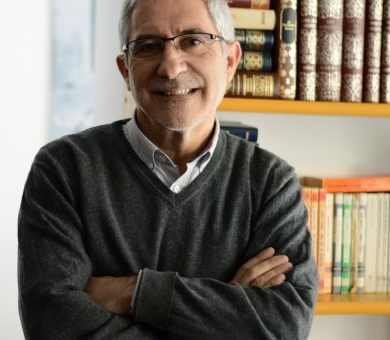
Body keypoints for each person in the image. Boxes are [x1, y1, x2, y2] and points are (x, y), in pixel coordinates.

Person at [17, 0, 319, 338]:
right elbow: (51, 326)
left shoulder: (270, 184)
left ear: (230, 61)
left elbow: (284, 328)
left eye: (192, 40)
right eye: (148, 46)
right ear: (125, 71)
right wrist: (225, 313)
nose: (171, 67)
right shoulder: (63, 170)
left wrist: (134, 293)